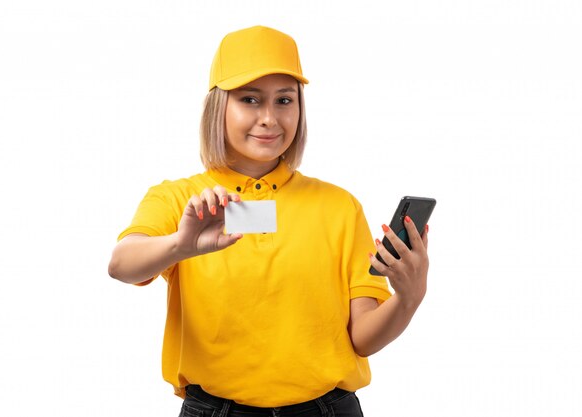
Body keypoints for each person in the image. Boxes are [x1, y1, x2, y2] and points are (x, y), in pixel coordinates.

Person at [108, 25, 430, 417]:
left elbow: (361, 338)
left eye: (283, 100)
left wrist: (408, 298)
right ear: (219, 106)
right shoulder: (179, 199)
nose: (269, 118)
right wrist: (181, 245)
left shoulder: (339, 206)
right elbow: (122, 265)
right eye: (249, 99)